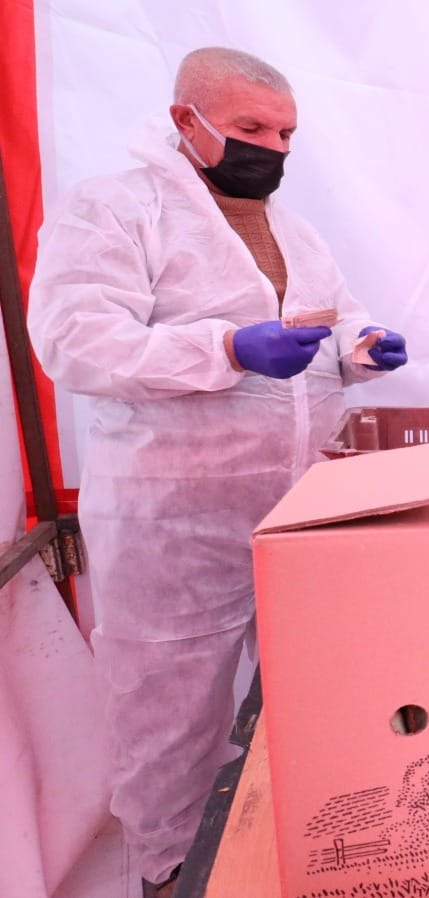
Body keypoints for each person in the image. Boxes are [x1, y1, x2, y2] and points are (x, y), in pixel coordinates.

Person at [27, 47, 408, 897]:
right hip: (173, 522)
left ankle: (281, 856)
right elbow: (76, 343)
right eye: (248, 128)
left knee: (306, 700)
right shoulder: (114, 211)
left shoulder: (291, 231)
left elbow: (330, 321)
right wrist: (226, 348)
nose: (270, 147)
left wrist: (362, 348)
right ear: (184, 121)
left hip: (291, 511)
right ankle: (167, 874)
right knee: (168, 718)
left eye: (284, 133)